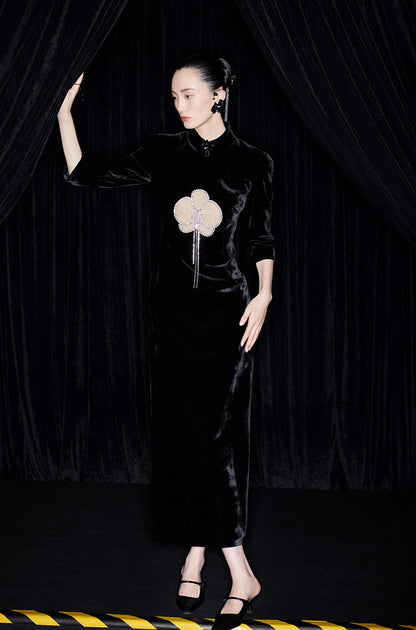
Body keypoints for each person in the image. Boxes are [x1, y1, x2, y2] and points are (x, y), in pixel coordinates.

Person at [58, 55, 274, 630]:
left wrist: (265, 295)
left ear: (218, 94)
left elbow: (261, 237)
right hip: (173, 317)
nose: (178, 105)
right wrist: (63, 114)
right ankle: (201, 557)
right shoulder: (163, 151)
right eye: (174, 96)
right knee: (184, 440)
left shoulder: (252, 162)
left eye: (188, 95)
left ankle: (229, 567)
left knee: (215, 438)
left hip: (228, 316)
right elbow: (84, 173)